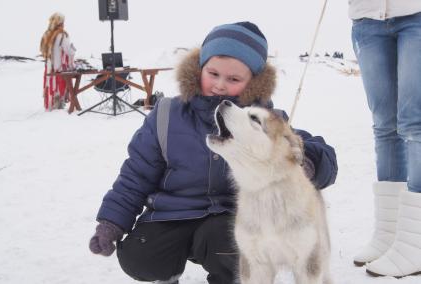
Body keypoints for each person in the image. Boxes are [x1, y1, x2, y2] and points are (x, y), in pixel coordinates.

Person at [89, 21, 338, 284]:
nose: (219, 85)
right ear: (199, 70)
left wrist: (306, 161)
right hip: (172, 214)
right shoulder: (166, 115)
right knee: (139, 257)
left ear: (253, 83)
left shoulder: (262, 123)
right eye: (213, 73)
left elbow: (320, 153)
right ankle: (169, 270)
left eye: (233, 79)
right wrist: (111, 223)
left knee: (234, 249)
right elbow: (136, 176)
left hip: (225, 220)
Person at [349, 1, 421, 278]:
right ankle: (390, 233)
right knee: (385, 126)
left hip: (415, 14)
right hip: (367, 18)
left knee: (414, 123)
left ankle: (415, 241)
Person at [40, 12, 76, 111]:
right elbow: (68, 50)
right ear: (60, 23)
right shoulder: (62, 35)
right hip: (60, 67)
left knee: (51, 86)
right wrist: (73, 49)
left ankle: (52, 106)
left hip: (49, 67)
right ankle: (59, 106)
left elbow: (43, 51)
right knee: (60, 87)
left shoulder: (46, 35)